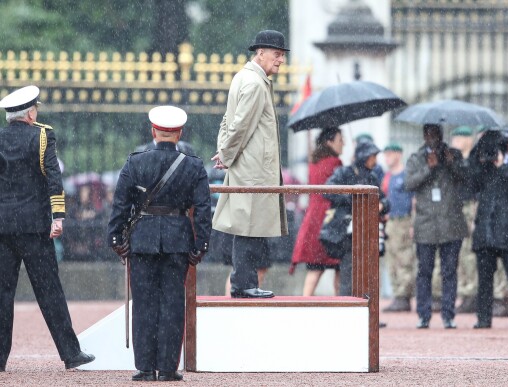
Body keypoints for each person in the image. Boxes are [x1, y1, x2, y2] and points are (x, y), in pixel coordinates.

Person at [107, 105, 211, 381]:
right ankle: (167, 367)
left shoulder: (135, 161)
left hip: (142, 239)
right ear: (179, 133)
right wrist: (201, 245)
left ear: (153, 131)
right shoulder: (194, 165)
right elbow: (203, 209)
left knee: (143, 303)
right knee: (173, 304)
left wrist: (116, 238)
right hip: (177, 240)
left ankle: (144, 366)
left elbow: (120, 204)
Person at [0, 85, 95, 372]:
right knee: (50, 292)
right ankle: (70, 353)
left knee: (2, 295)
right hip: (34, 227)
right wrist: (58, 216)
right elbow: (54, 178)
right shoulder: (42, 135)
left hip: (3, 226)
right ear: (30, 113)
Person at [211, 30, 289, 299]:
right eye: (277, 54)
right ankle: (244, 284)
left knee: (247, 225)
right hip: (253, 168)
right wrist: (226, 154)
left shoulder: (243, 78)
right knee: (249, 227)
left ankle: (244, 283)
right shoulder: (256, 84)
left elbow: (228, 121)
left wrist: (224, 152)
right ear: (261, 53)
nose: (280, 60)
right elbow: (240, 126)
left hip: (246, 164)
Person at [405, 124, 468, 329]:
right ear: (424, 136)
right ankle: (424, 314)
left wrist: (451, 163)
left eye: (437, 134)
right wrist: (428, 168)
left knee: (449, 271)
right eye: (429, 134)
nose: (433, 138)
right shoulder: (416, 157)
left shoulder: (453, 154)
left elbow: (466, 179)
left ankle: (448, 314)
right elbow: (409, 184)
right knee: (424, 272)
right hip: (426, 224)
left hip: (451, 222)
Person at [470, 126, 508, 329]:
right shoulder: (489, 166)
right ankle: (483, 318)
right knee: (485, 278)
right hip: (486, 229)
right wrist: (481, 148)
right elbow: (471, 179)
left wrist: (503, 166)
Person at [324, 141, 388, 297]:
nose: (375, 160)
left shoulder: (372, 177)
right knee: (349, 272)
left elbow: (385, 200)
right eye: (373, 156)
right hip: (348, 232)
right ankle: (346, 313)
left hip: (367, 231)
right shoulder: (344, 173)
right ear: (364, 156)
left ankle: (369, 315)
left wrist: (381, 205)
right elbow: (328, 190)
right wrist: (353, 197)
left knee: (369, 274)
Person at [290, 127, 343, 296]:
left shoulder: (314, 163)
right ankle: (342, 306)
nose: (343, 144)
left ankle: (304, 304)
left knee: (315, 268)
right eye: (340, 140)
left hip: (313, 219)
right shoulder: (336, 163)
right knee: (339, 267)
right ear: (329, 142)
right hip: (330, 218)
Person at [381, 143, 415, 312]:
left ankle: (404, 295)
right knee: (391, 258)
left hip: (404, 220)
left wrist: (413, 223)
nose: (387, 157)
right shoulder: (387, 176)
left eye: (390, 154)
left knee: (404, 257)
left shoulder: (406, 175)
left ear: (399, 155)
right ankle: (397, 293)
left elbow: (414, 199)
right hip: (391, 221)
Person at [450, 126, 478, 314]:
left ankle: (471, 294)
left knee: (470, 253)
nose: (455, 143)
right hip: (457, 208)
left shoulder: (475, 160)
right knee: (459, 254)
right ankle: (465, 292)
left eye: (459, 138)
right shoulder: (455, 162)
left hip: (471, 207)